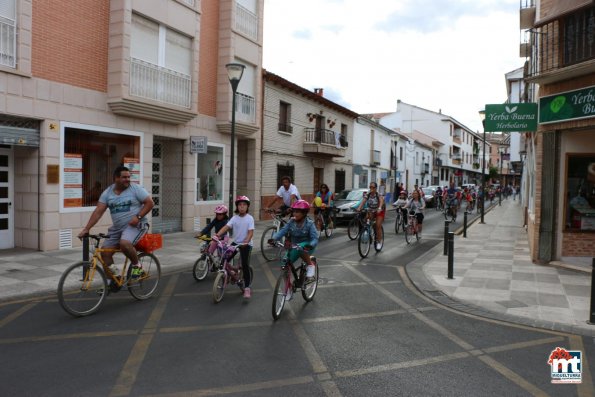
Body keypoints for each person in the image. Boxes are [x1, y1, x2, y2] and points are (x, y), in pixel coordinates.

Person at [78, 166, 154, 278]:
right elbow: (98, 211)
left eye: (129, 177)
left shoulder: (136, 189)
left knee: (125, 243)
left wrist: (138, 217)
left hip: (136, 225)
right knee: (105, 253)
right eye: (124, 177)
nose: (128, 179)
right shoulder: (108, 193)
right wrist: (86, 229)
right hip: (117, 228)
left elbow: (150, 203)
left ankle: (137, 267)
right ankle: (114, 279)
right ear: (116, 178)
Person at [269, 200, 318, 288]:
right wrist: (274, 239)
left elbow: (315, 238)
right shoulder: (291, 222)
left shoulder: (310, 224)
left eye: (298, 212)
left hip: (307, 247)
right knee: (284, 264)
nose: (295, 214)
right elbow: (283, 230)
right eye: (294, 211)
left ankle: (310, 265)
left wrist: (310, 245)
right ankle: (289, 288)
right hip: (294, 247)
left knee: (301, 247)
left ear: (304, 213)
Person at [215, 196, 255, 299]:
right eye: (240, 205)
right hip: (236, 243)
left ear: (247, 207)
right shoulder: (234, 218)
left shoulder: (250, 218)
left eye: (244, 205)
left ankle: (247, 288)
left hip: (246, 244)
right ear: (237, 207)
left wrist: (247, 240)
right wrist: (217, 235)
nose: (242, 207)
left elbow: (251, 232)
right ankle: (231, 272)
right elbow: (226, 227)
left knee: (245, 265)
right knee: (224, 259)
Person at [197, 204, 229, 270]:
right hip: (216, 238)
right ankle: (213, 264)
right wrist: (201, 233)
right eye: (217, 214)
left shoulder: (226, 221)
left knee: (220, 254)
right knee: (209, 252)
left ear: (224, 214)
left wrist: (219, 236)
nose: (218, 216)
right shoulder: (215, 220)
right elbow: (209, 226)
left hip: (223, 238)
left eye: (220, 214)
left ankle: (222, 265)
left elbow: (225, 231)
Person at [356, 181, 385, 250]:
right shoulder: (368, 194)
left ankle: (379, 241)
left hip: (379, 211)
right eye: (370, 187)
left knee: (378, 225)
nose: (371, 188)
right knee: (366, 221)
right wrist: (359, 208)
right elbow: (363, 201)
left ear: (376, 188)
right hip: (371, 210)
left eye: (373, 187)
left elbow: (381, 201)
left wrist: (380, 208)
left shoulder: (378, 194)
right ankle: (369, 233)